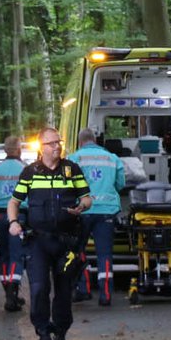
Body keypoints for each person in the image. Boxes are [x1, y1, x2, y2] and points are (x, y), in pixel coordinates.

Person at [8, 127, 91, 340]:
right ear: (41, 147)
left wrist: (82, 206)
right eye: (52, 143)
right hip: (38, 241)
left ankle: (60, 336)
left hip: (66, 242)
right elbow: (14, 202)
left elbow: (87, 198)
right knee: (39, 288)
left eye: (59, 142)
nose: (57, 146)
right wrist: (13, 222)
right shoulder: (30, 172)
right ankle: (44, 335)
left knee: (64, 291)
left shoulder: (71, 169)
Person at [72, 128, 127, 306]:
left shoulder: (74, 158)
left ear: (80, 142)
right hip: (106, 211)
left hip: (83, 210)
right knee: (104, 254)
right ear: (95, 140)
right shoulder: (112, 158)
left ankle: (84, 288)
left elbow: (68, 186)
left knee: (78, 250)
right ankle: (106, 295)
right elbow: (120, 184)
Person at [0, 136, 28, 312]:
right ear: (19, 150)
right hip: (18, 215)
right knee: (17, 255)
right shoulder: (26, 169)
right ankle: (12, 292)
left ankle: (9, 293)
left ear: (5, 150)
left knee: (4, 255)